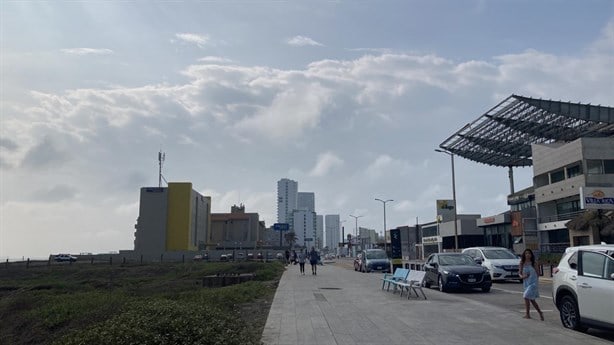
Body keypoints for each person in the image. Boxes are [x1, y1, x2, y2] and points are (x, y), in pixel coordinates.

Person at [520, 248, 544, 321]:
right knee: (531, 299)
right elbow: (519, 273)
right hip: (526, 283)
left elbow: (538, 273)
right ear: (524, 254)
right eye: (526, 253)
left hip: (533, 283)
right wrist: (523, 276)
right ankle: (540, 312)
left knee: (526, 296)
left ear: (531, 255)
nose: (527, 255)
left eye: (529, 253)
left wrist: (534, 281)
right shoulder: (522, 263)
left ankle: (528, 314)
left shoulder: (534, 263)